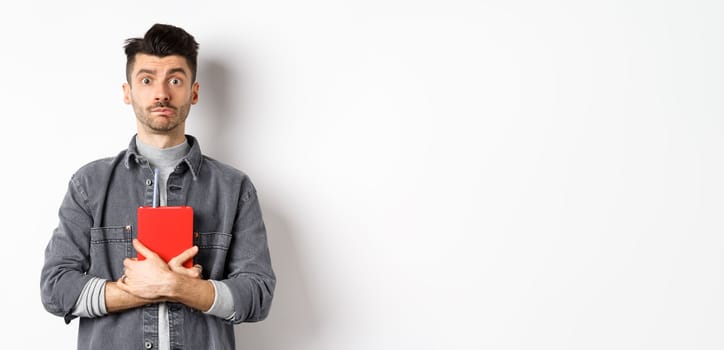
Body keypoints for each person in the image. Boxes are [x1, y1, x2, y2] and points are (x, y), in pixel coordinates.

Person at [40, 23, 276, 349]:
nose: (161, 93)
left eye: (175, 80)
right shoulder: (89, 184)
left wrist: (175, 286)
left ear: (193, 92)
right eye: (147, 80)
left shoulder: (234, 188)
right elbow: (55, 288)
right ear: (128, 92)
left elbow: (258, 294)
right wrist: (140, 288)